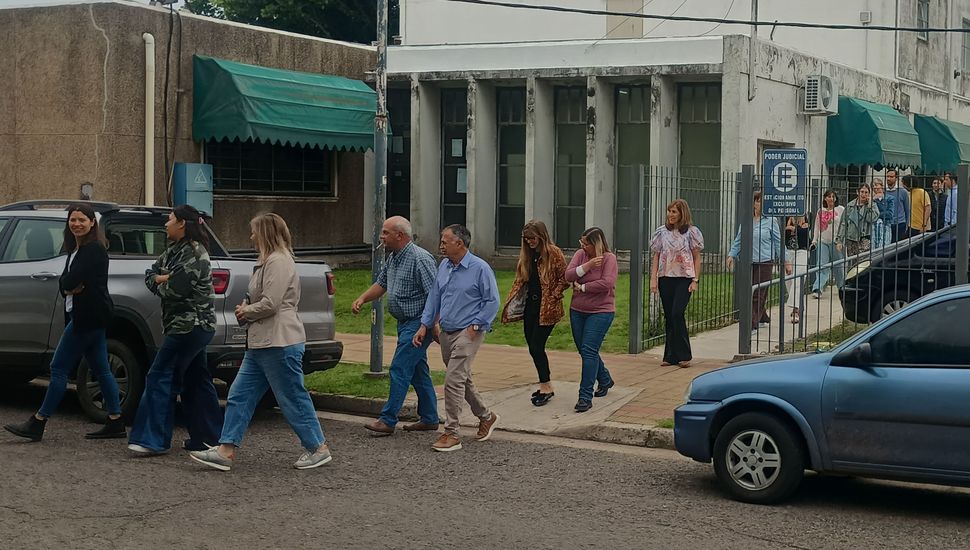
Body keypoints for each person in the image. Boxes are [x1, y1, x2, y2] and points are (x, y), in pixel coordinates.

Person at [189, 213, 331, 471]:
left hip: (279, 341)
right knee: (239, 395)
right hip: (263, 342)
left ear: (265, 233)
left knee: (291, 397)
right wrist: (247, 308)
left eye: (254, 231)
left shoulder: (278, 262)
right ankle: (226, 450)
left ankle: (317, 448)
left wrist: (247, 311)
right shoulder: (268, 262)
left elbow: (271, 303)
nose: (251, 236)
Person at [3, 204, 124, 442]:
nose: (76, 224)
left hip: (86, 319)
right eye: (72, 220)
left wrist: (69, 285)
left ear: (92, 223)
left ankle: (38, 422)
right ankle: (115, 420)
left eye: (81, 220)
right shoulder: (77, 250)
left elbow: (71, 280)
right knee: (101, 369)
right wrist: (68, 286)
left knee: (58, 368)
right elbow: (66, 284)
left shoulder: (93, 250)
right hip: (88, 318)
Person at [128, 204, 222, 456]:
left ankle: (152, 440)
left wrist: (163, 280)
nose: (165, 224)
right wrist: (161, 277)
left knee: (160, 376)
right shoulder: (174, 251)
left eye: (169, 219)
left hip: (190, 327)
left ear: (182, 223)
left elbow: (175, 291)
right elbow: (150, 274)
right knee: (196, 379)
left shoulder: (193, 253)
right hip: (186, 327)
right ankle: (207, 438)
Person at [413, 225, 500, 453]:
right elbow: (435, 296)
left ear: (459, 244)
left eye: (445, 240)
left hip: (468, 332)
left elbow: (492, 301)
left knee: (453, 380)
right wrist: (426, 324)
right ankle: (486, 416)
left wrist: (476, 326)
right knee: (462, 378)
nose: (441, 244)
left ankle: (451, 432)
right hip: (446, 331)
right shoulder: (444, 265)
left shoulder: (480, 268)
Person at [352, 216, 440, 434]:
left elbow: (436, 295)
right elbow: (382, 284)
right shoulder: (394, 258)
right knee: (418, 371)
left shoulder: (420, 259)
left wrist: (431, 325)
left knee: (399, 368)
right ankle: (429, 418)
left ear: (400, 235)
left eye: (385, 233)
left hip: (419, 324)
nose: (381, 237)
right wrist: (363, 298)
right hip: (404, 323)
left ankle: (388, 420)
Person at [501, 220, 568, 406]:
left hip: (547, 308)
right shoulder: (527, 255)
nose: (529, 241)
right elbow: (521, 279)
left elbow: (565, 277)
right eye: (526, 238)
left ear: (541, 236)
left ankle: (546, 385)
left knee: (537, 347)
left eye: (532, 238)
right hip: (531, 306)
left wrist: (554, 295)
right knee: (532, 346)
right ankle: (544, 383)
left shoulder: (553, 253)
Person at [564, 227, 618, 413]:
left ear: (596, 243)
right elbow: (568, 275)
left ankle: (584, 397)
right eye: (582, 243)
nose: (582, 246)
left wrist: (584, 287)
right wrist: (587, 266)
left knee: (588, 351)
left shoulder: (609, 259)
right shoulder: (581, 255)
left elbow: (607, 283)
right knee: (586, 350)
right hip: (577, 310)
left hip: (601, 311)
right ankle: (604, 379)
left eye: (586, 243)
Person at [649, 200, 703, 368]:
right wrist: (653, 279)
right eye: (669, 211)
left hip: (684, 277)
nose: (670, 215)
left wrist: (695, 280)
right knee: (668, 316)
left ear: (682, 213)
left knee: (677, 313)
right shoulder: (662, 232)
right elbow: (656, 256)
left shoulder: (691, 233)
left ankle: (684, 354)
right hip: (666, 277)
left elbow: (696, 257)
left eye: (674, 212)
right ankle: (670, 355)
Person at [727, 192, 792, 331]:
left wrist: (786, 261)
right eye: (757, 201)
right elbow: (739, 239)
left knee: (758, 293)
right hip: (748, 261)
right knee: (749, 292)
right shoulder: (746, 220)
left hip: (765, 262)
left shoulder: (771, 221)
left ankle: (751, 324)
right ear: (753, 203)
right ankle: (762, 316)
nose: (760, 204)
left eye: (762, 201)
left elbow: (778, 242)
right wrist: (731, 255)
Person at [810, 190, 845, 299]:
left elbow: (844, 224)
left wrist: (842, 240)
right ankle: (818, 288)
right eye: (828, 197)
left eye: (833, 197)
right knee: (822, 265)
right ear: (825, 198)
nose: (831, 199)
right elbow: (816, 226)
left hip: (836, 242)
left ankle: (842, 287)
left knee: (838, 266)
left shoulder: (841, 209)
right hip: (823, 241)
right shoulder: (820, 211)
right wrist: (814, 240)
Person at [836, 183, 881, 262]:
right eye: (862, 192)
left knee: (863, 263)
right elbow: (843, 223)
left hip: (864, 238)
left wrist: (870, 205)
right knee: (852, 264)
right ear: (858, 192)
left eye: (866, 192)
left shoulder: (872, 205)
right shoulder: (850, 206)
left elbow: (872, 218)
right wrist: (839, 240)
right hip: (851, 239)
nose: (864, 194)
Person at [784, 215, 812, 325]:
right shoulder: (785, 218)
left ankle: (795, 310)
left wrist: (795, 228)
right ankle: (798, 305)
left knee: (798, 279)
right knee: (788, 280)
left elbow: (805, 236)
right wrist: (787, 227)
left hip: (802, 251)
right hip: (787, 252)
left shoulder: (805, 219)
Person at [885, 169, 910, 241]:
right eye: (887, 176)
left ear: (896, 178)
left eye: (891, 176)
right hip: (887, 223)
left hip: (900, 223)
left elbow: (907, 209)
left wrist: (907, 225)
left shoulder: (903, 192)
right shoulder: (883, 191)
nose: (889, 178)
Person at [870, 179, 894, 249]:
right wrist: (872, 200)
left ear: (881, 186)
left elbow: (890, 214)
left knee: (884, 247)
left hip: (885, 225)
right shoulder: (872, 199)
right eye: (873, 186)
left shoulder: (889, 198)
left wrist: (876, 214)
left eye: (876, 185)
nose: (875, 187)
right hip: (874, 227)